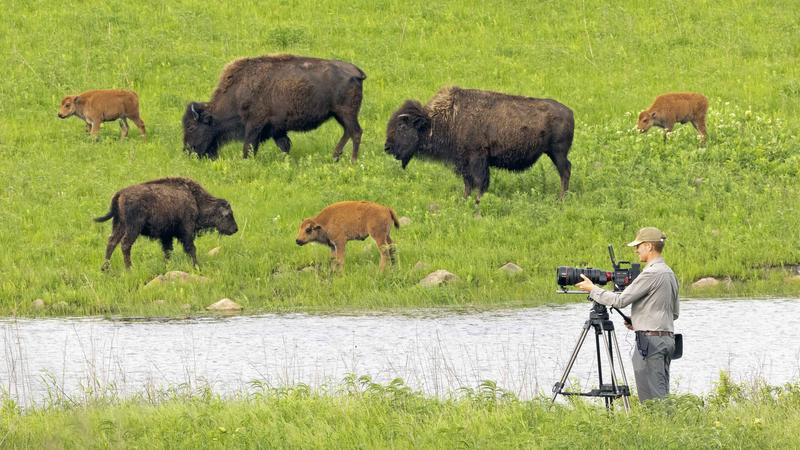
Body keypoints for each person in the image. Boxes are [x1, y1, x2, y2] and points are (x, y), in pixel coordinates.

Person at [575, 227, 679, 402]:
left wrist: (593, 289)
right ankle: (660, 427)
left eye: (638, 245)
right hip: (665, 340)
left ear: (648, 246)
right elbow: (673, 313)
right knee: (659, 395)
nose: (636, 250)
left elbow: (620, 301)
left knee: (655, 402)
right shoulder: (669, 273)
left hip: (651, 343)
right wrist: (638, 320)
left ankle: (663, 428)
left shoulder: (651, 273)